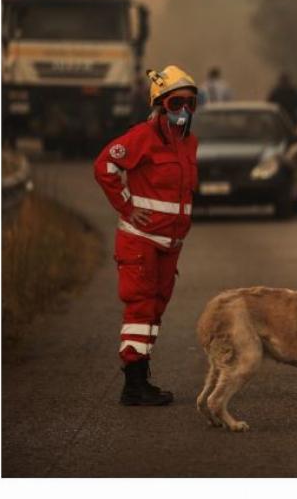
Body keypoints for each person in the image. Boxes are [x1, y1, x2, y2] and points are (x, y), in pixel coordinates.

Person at [93, 65, 199, 406]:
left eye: (190, 104)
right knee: (140, 309)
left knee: (155, 310)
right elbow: (105, 166)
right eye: (176, 103)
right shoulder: (142, 136)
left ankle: (142, 378)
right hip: (141, 240)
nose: (183, 110)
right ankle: (133, 385)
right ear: (159, 105)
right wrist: (126, 206)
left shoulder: (188, 143)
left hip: (170, 244)